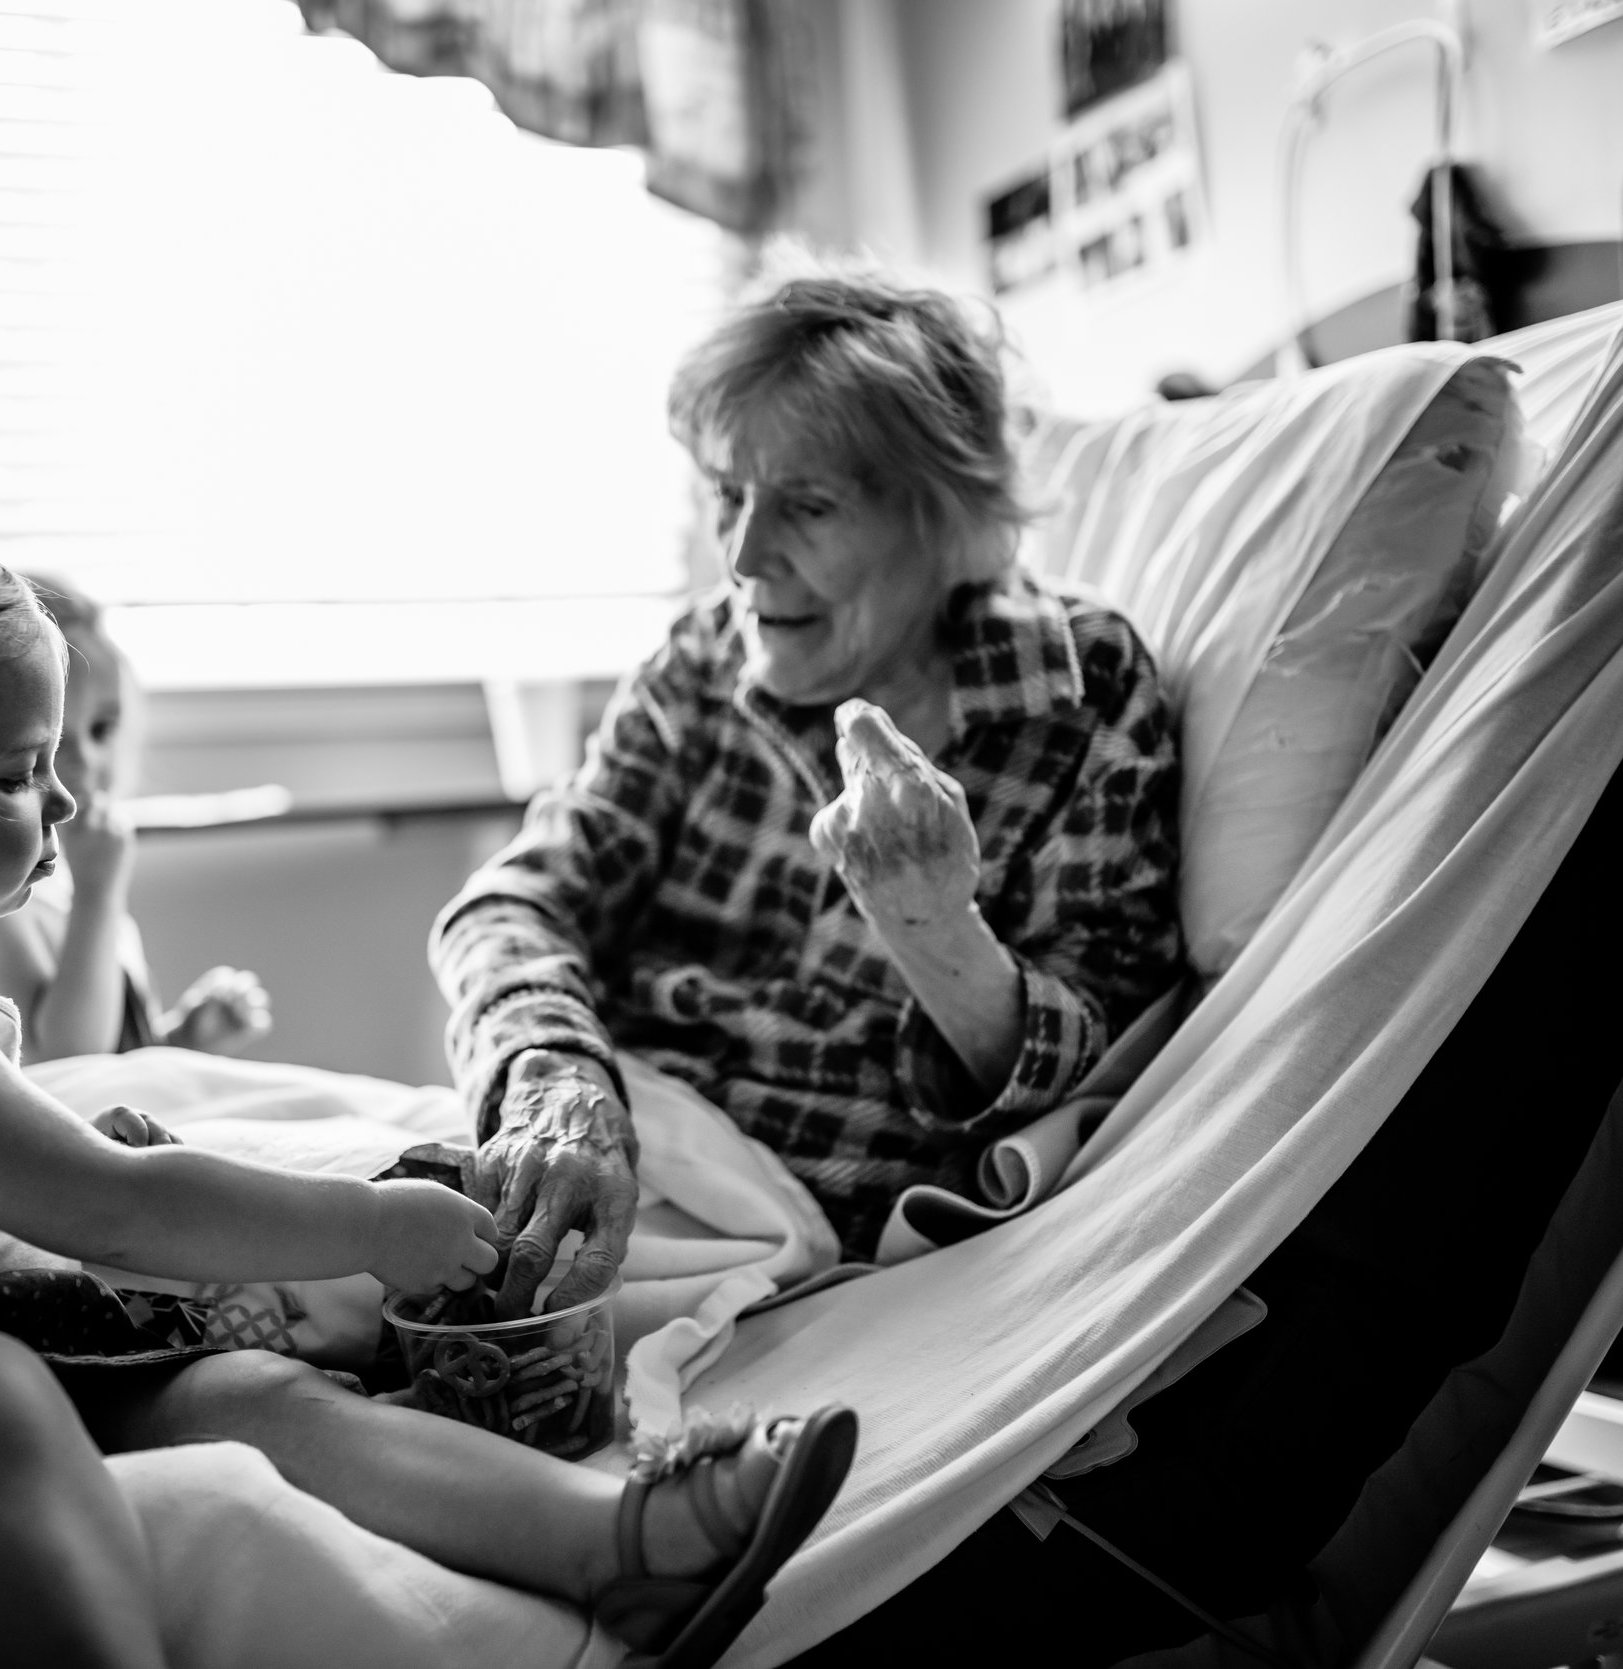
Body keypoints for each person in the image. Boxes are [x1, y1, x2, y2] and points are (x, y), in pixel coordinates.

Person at [0, 518, 855, 1669]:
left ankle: (617, 1542)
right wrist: (364, 1226)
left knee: (250, 1398)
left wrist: (79, 1153)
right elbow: (108, 1208)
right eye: (10, 773)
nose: (66, 799)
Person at [435, 267, 1184, 1317]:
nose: (742, 556)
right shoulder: (701, 660)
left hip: (800, 1215)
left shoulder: (1084, 690)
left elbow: (1110, 1070)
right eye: (725, 493)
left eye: (808, 505)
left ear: (945, 518)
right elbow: (514, 902)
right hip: (617, 1130)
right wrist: (557, 1083)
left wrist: (932, 927)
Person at [0, 575, 271, 1061]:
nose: (89, 760)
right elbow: (62, 1062)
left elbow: (113, 1057)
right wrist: (97, 896)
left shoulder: (76, 882)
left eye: (102, 729)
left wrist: (182, 1038)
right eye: (54, 741)